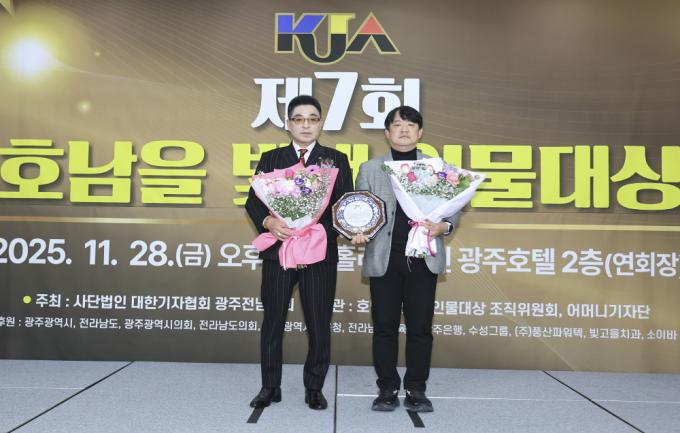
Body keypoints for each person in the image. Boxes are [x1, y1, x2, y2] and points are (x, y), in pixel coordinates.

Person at [245, 95, 353, 410]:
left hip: (318, 255)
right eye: (299, 119)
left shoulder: (336, 159)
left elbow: (344, 206)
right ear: (288, 124)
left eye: (312, 119)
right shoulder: (271, 158)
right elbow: (253, 201)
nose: (306, 125)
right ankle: (270, 387)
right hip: (280, 251)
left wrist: (317, 233)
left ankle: (314, 387)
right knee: (273, 321)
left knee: (318, 323)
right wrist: (268, 221)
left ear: (321, 123)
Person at [352, 106, 458, 413]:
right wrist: (357, 231)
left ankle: (416, 388)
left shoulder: (437, 167)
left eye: (411, 124)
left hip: (423, 257)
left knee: (420, 328)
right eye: (397, 124)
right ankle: (387, 388)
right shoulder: (371, 168)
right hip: (385, 258)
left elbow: (453, 209)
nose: (404, 129)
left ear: (420, 132)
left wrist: (444, 227)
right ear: (387, 133)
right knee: (384, 327)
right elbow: (358, 209)